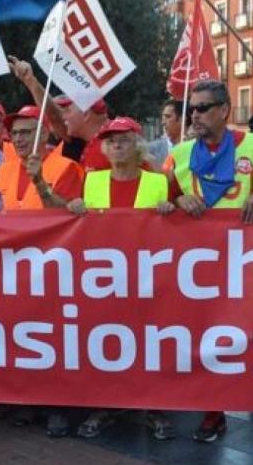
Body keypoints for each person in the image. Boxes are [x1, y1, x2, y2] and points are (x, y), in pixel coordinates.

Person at [166, 79, 253, 460]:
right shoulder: (180, 154)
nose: (194, 116)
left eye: (202, 108)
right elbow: (160, 199)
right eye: (191, 110)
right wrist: (178, 198)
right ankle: (213, 411)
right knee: (209, 340)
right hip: (201, 267)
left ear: (223, 110)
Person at [65, 117, 177, 441]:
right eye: (111, 141)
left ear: (138, 145)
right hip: (104, 280)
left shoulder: (158, 182)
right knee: (107, 343)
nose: (117, 146)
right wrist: (73, 208)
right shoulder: (92, 181)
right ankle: (104, 406)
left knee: (148, 345)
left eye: (124, 140)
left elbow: (175, 226)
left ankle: (154, 408)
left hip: (146, 279)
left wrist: (170, 208)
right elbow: (74, 222)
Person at [8, 56, 111, 171]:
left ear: (86, 114)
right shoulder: (84, 142)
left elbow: (55, 116)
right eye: (14, 133)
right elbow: (54, 116)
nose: (63, 115)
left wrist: (31, 81)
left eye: (67, 110)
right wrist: (30, 81)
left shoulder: (114, 144)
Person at [0, 105, 84, 212]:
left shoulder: (66, 167)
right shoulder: (5, 169)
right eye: (14, 133)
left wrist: (40, 183)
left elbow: (64, 213)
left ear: (44, 134)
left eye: (25, 132)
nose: (17, 139)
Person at [146, 98, 182, 171]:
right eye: (162, 118)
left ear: (181, 119)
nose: (163, 123)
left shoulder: (195, 148)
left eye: (168, 117)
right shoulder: (150, 150)